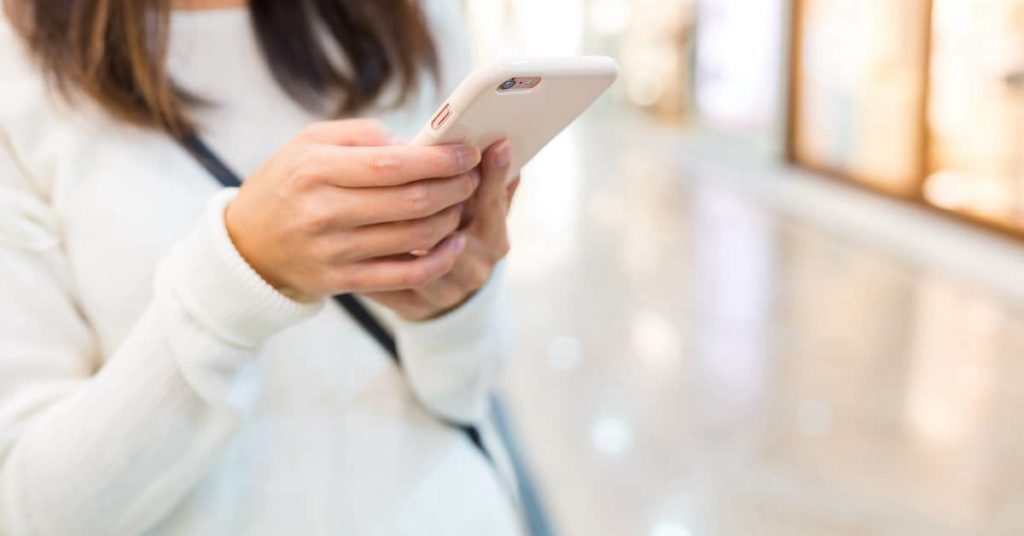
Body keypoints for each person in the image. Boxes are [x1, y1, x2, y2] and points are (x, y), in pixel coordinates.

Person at [0, 0, 523, 534]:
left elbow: (468, 393)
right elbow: (32, 513)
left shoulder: (413, 18)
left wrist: (455, 307)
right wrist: (236, 279)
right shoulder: (18, 68)